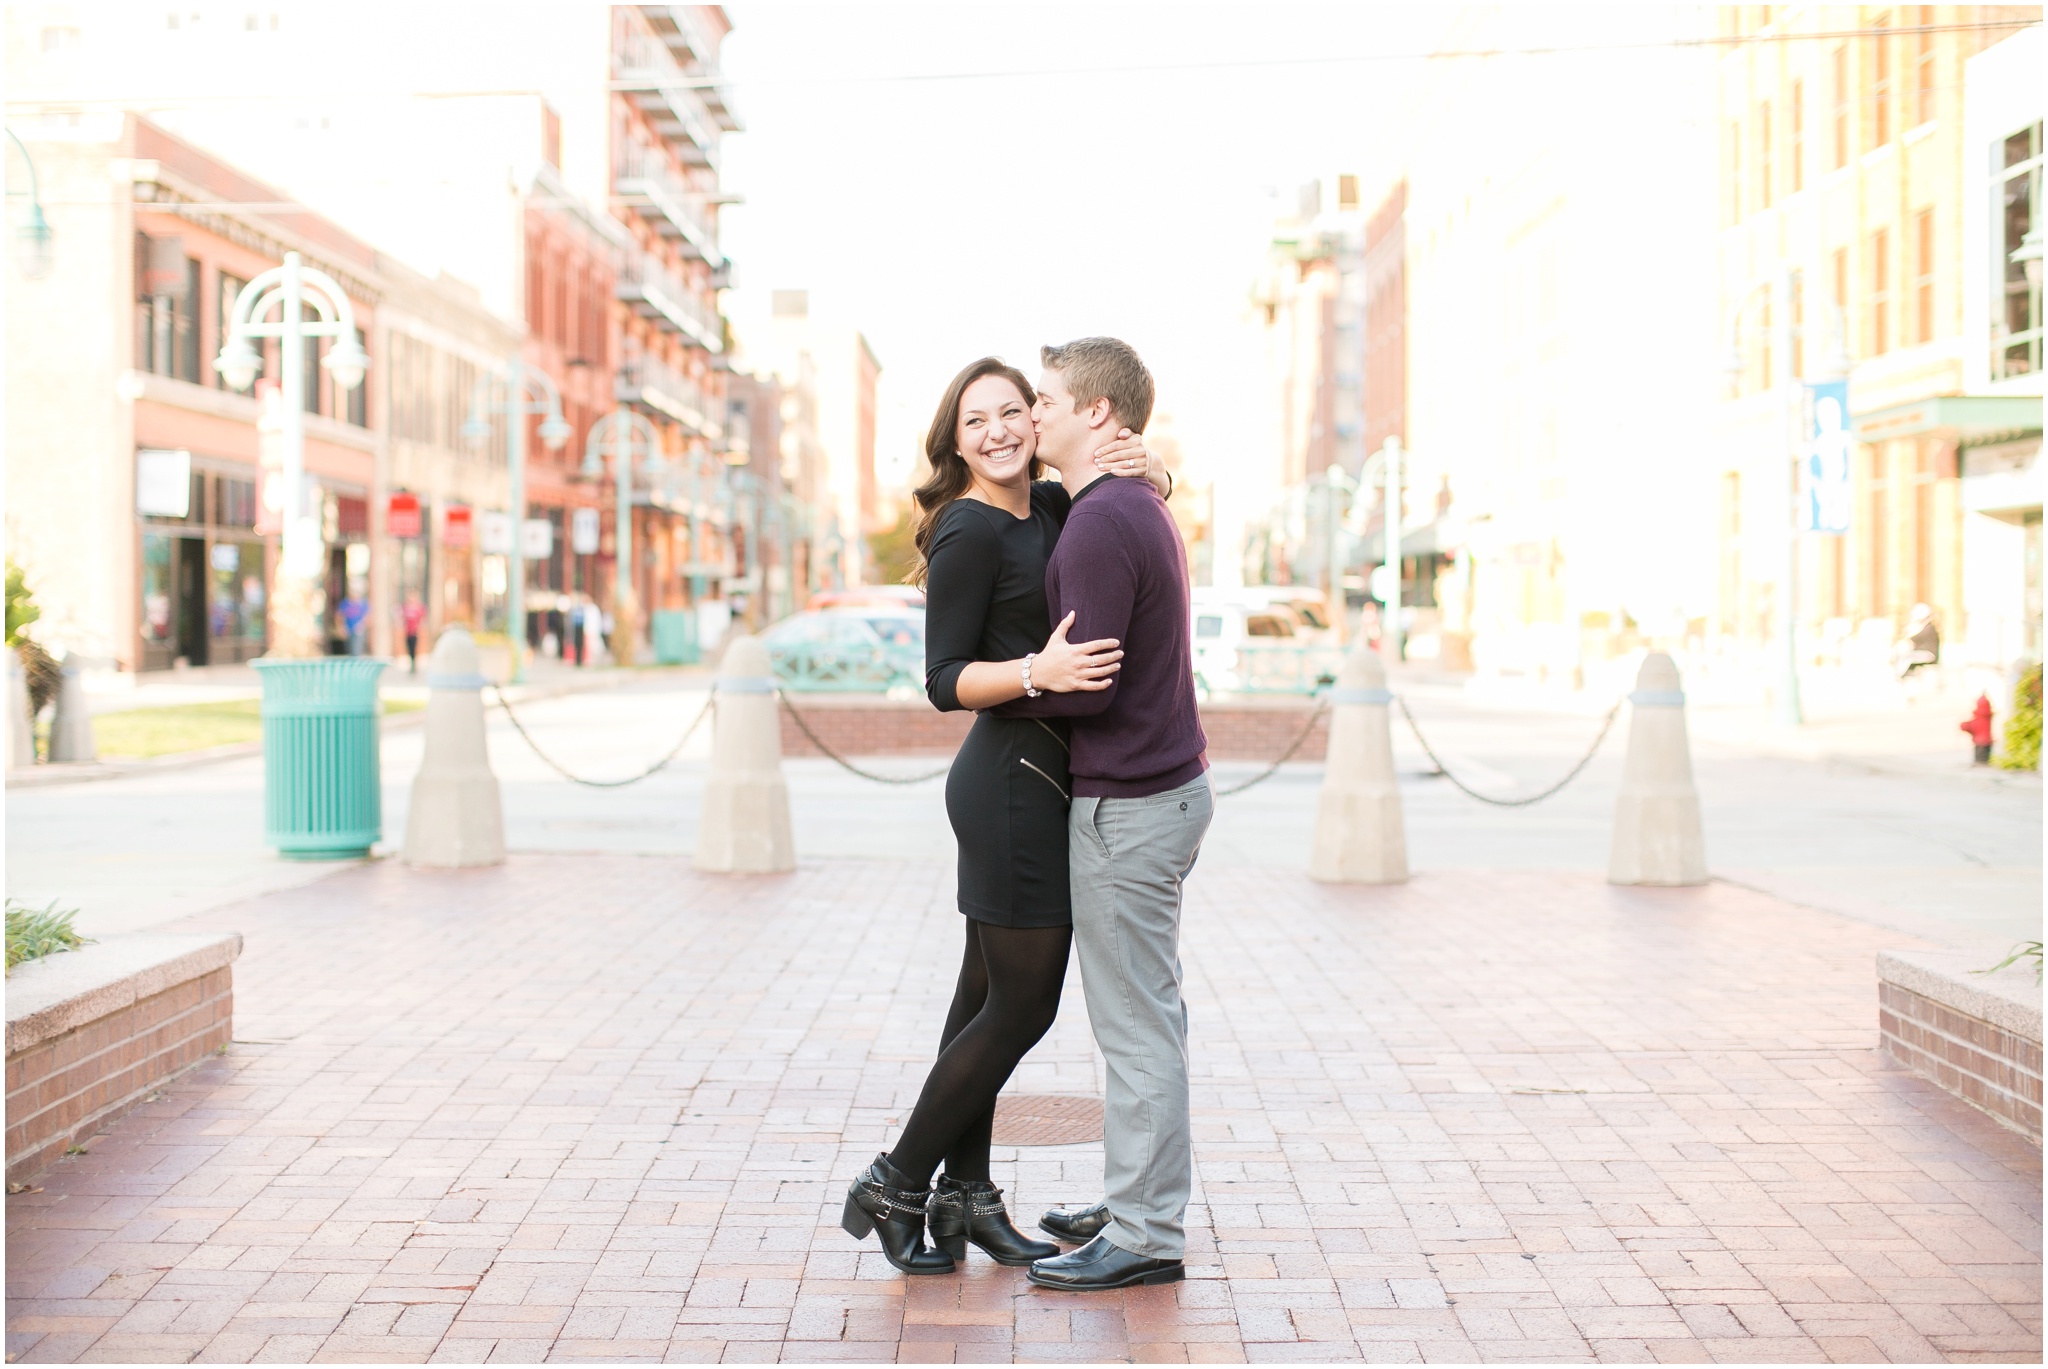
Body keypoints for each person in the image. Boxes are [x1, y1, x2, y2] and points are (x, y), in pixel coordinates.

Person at [839, 357, 1168, 1275]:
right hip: (1008, 783)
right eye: (975, 419)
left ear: (1037, 420)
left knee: (979, 1001)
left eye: (1013, 411)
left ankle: (966, 1198)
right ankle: (895, 1180)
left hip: (1044, 777)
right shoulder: (969, 532)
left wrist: (1155, 471)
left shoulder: (1054, 509)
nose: (998, 430)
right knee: (1023, 1002)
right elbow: (943, 681)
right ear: (954, 439)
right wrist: (1039, 674)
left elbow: (1115, 505)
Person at [1020, 337, 1211, 1294]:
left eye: (1049, 398)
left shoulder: (1102, 522)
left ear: (1099, 414)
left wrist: (1010, 685)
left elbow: (1083, 686)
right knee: (1150, 1016)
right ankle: (1138, 1195)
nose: (1033, 412)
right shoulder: (1133, 504)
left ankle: (1144, 1229)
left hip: (1129, 805)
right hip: (1161, 792)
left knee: (1135, 1026)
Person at [401, 596, 426, 673]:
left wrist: (419, 628)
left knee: (414, 649)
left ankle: (413, 665)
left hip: (415, 633)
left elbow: (422, 618)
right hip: (407, 632)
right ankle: (411, 663)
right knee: (409, 648)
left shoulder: (418, 609)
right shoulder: (406, 609)